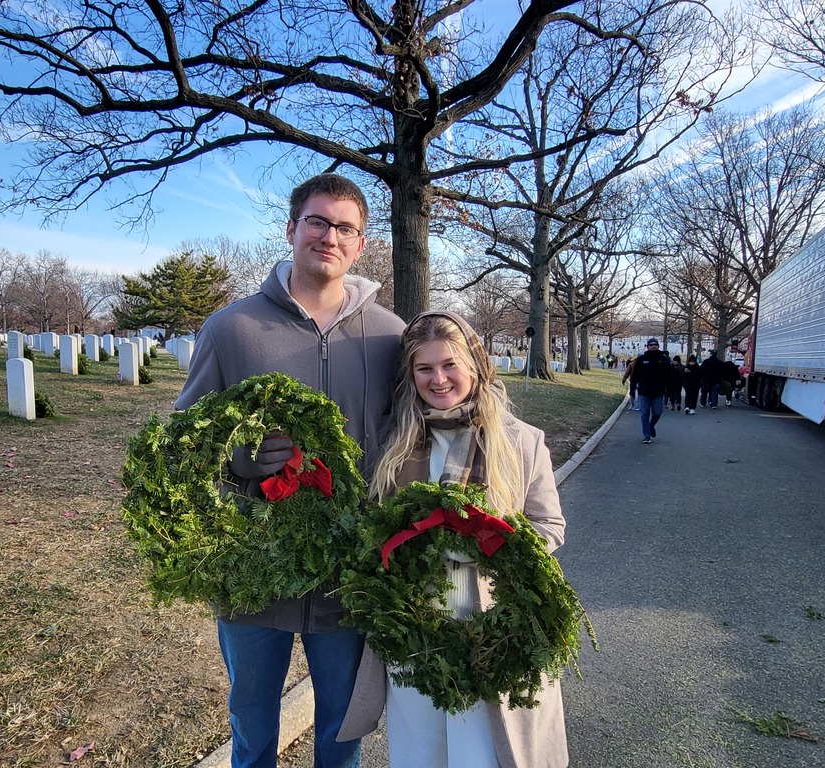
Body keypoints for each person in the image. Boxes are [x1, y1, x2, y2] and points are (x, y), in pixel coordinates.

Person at [173, 174, 405, 768]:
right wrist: (239, 458)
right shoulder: (232, 328)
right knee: (252, 729)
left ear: (361, 244)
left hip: (349, 572)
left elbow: (417, 439)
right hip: (253, 570)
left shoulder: (390, 336)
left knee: (342, 731)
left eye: (345, 228)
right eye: (317, 222)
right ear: (291, 229)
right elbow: (182, 444)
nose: (330, 237)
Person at [340, 310, 568, 768]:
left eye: (450, 365)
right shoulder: (394, 443)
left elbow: (548, 524)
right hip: (414, 634)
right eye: (424, 368)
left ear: (475, 366)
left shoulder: (520, 441)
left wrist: (491, 545)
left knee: (482, 752)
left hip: (492, 630)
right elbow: (371, 526)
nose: (438, 379)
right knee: (422, 752)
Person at [631, 338, 673, 443]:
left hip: (658, 392)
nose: (653, 346)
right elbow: (635, 376)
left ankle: (651, 426)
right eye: (651, 345)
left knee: (657, 412)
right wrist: (632, 389)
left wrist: (669, 390)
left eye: (655, 344)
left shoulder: (663, 359)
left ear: (658, 346)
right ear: (647, 346)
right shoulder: (641, 360)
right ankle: (647, 435)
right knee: (644, 413)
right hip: (644, 392)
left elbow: (669, 375)